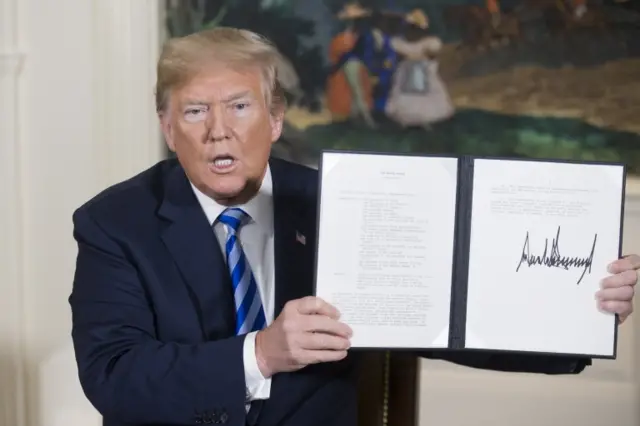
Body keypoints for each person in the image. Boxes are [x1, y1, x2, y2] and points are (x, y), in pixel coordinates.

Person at [69, 27, 637, 426]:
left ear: (276, 117)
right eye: (195, 111)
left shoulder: (344, 203)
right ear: (169, 127)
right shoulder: (115, 222)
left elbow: (446, 318)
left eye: (239, 107)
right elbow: (113, 375)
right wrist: (260, 353)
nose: (218, 130)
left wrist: (579, 310)